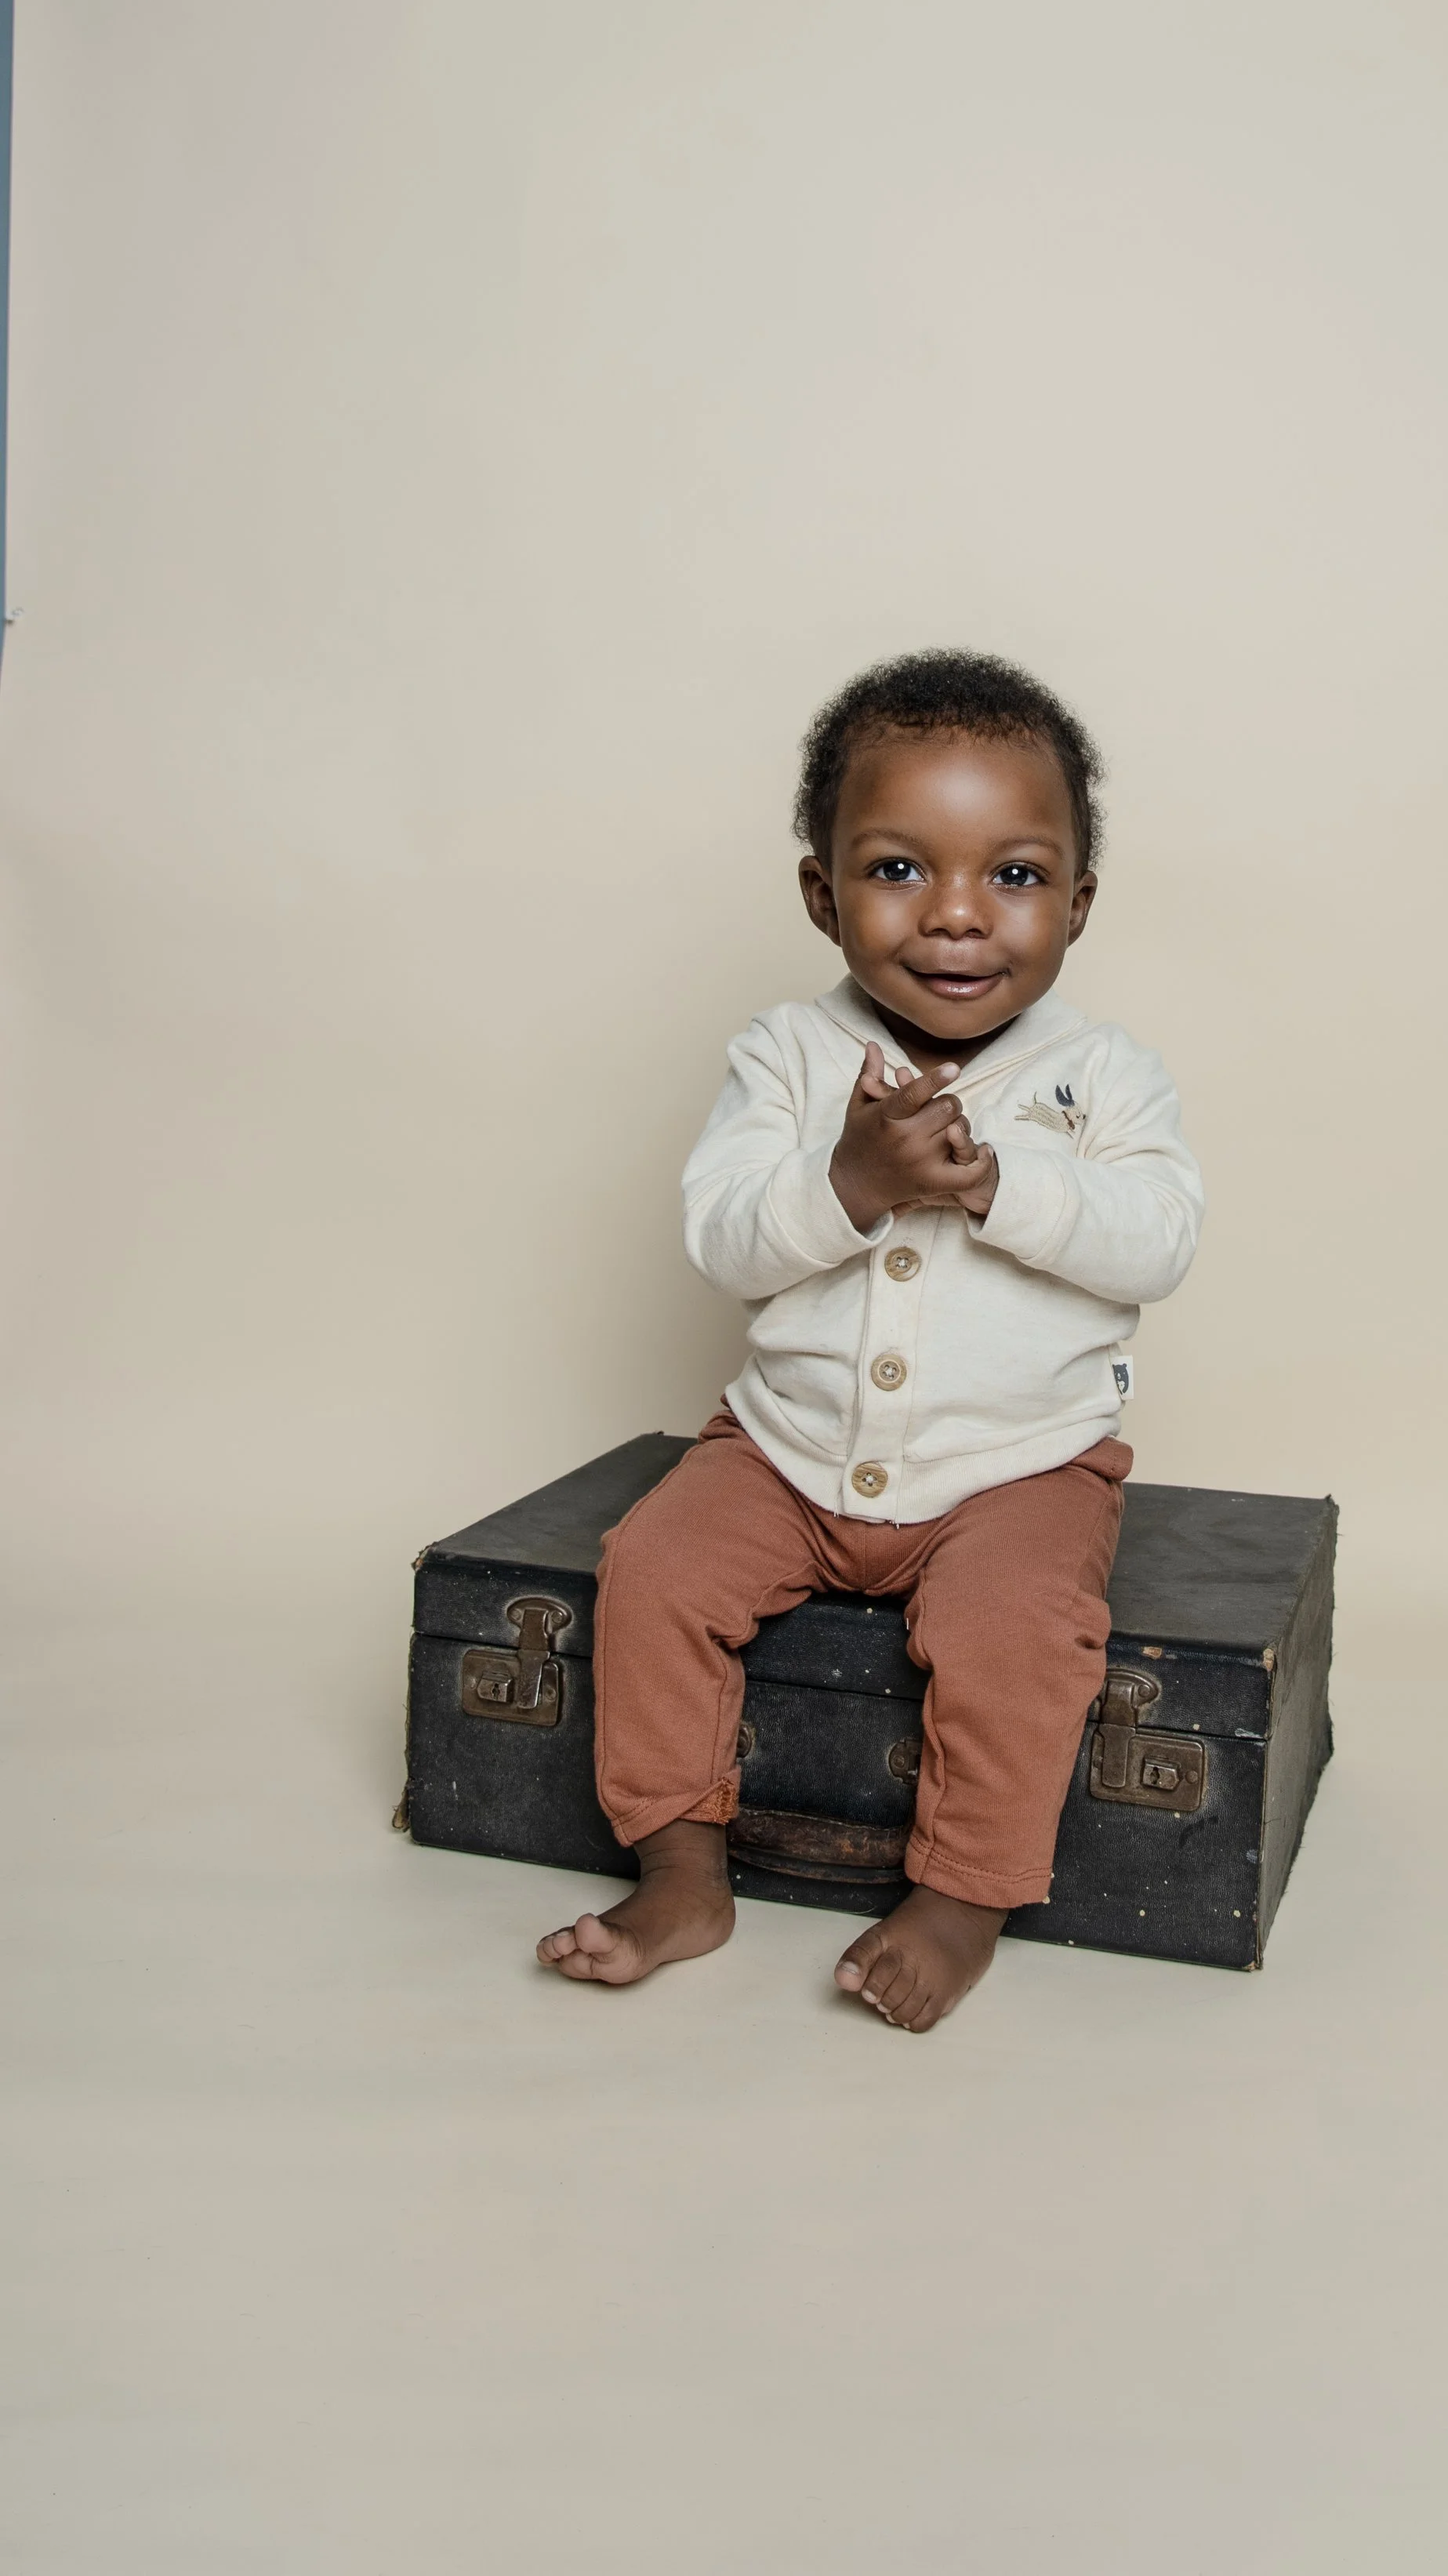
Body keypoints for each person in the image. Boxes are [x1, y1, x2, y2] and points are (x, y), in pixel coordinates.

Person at [537, 650, 1203, 2029]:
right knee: (651, 1570)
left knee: (1018, 1632)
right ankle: (681, 1868)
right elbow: (724, 1237)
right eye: (899, 868)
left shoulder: (1105, 1075)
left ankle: (964, 1897)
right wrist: (848, 1180)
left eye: (1014, 875)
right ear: (821, 892)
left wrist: (1000, 1184)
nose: (957, 914)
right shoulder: (786, 1056)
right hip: (785, 1450)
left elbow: (1159, 1238)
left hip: (1018, 1467)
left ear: (1078, 903)